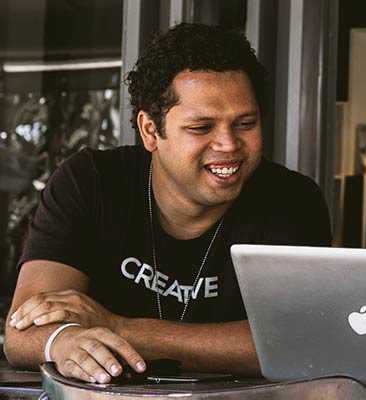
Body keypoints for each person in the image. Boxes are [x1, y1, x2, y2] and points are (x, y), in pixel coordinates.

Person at [3, 23, 332, 384]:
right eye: (201, 127)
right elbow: (23, 330)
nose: (228, 144)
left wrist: (118, 328)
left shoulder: (292, 200)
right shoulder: (91, 182)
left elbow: (295, 342)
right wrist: (61, 341)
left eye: (245, 123)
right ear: (150, 131)